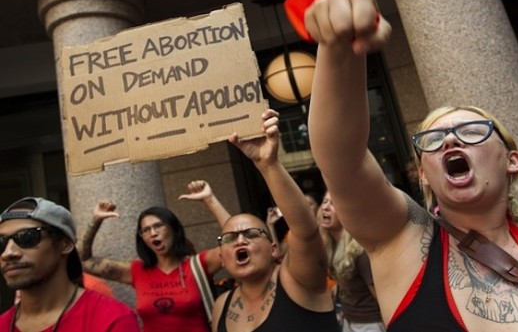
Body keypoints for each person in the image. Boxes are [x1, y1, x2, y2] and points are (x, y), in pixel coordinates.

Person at [304, 0, 518, 331]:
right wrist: (338, 50)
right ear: (423, 173)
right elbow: (342, 160)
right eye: (434, 139)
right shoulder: (400, 242)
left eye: (472, 132)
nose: (451, 140)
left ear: (511, 160)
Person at [212, 108, 339, 332]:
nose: (240, 241)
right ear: (222, 258)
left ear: (273, 249)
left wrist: (268, 164)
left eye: (251, 234)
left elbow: (305, 231)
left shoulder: (297, 281)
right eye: (230, 238)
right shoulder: (221, 306)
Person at [79, 183, 229, 332]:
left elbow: (234, 242)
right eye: (145, 230)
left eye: (158, 226)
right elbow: (82, 260)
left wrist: (210, 199)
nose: (153, 233)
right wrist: (95, 221)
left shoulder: (199, 264)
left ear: (173, 228)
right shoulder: (137, 271)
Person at [0, 197, 139, 332]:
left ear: (65, 244)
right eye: (1, 242)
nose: (8, 253)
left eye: (27, 236)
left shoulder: (112, 319)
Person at [318, 191, 385, 332]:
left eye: (333, 203)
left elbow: (381, 296)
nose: (325, 207)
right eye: (324, 202)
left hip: (370, 324)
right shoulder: (331, 246)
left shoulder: (359, 252)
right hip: (350, 321)